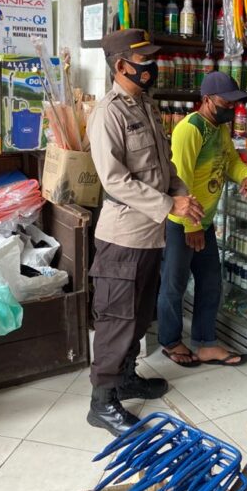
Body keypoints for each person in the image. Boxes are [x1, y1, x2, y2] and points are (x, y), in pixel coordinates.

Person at [87, 29, 204, 436]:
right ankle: (102, 402)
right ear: (121, 66)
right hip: (123, 237)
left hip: (151, 233)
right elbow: (114, 180)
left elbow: (165, 166)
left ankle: (126, 376)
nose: (152, 67)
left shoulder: (146, 107)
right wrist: (168, 204)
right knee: (116, 320)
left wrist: (182, 195)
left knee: (139, 315)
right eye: (144, 60)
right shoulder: (108, 113)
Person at [158, 72, 247, 367]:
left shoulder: (218, 129)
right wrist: (191, 226)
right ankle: (171, 341)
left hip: (204, 222)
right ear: (206, 100)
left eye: (234, 103)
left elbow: (231, 162)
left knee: (210, 282)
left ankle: (204, 343)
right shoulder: (189, 130)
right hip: (183, 223)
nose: (231, 108)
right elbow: (180, 180)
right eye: (225, 102)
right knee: (173, 285)